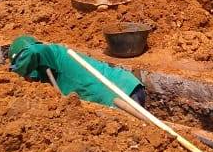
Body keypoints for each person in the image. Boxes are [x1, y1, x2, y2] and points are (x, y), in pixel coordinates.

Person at [8, 35, 146, 108]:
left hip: (118, 94)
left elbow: (33, 51)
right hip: (126, 87)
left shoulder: (50, 52)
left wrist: (19, 73)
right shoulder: (44, 71)